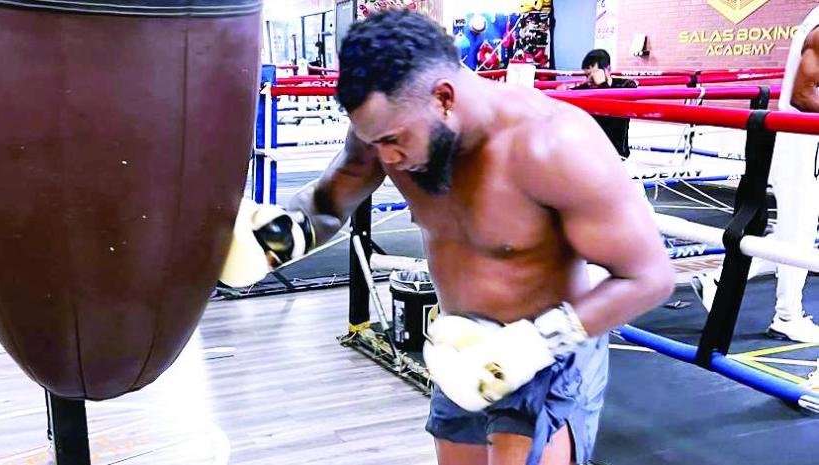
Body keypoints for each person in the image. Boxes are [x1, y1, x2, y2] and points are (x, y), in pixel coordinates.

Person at [220, 10, 674, 465]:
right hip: (459, 349)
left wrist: (530, 346)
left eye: (393, 140)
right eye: (372, 141)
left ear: (443, 98)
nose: (386, 158)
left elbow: (650, 277)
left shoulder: (551, 145)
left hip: (547, 354)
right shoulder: (386, 131)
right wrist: (273, 239)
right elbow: (325, 205)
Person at [690, 5, 819, 348]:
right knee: (799, 235)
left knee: (796, 232)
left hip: (804, 145)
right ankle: (787, 316)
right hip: (801, 145)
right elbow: (802, 94)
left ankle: (719, 278)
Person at [558, 49, 638, 159]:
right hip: (589, 156)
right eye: (587, 75)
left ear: (607, 69)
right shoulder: (585, 89)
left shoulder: (625, 85)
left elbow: (614, 108)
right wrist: (561, 93)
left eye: (593, 74)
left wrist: (602, 85)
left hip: (617, 156)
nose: (590, 79)